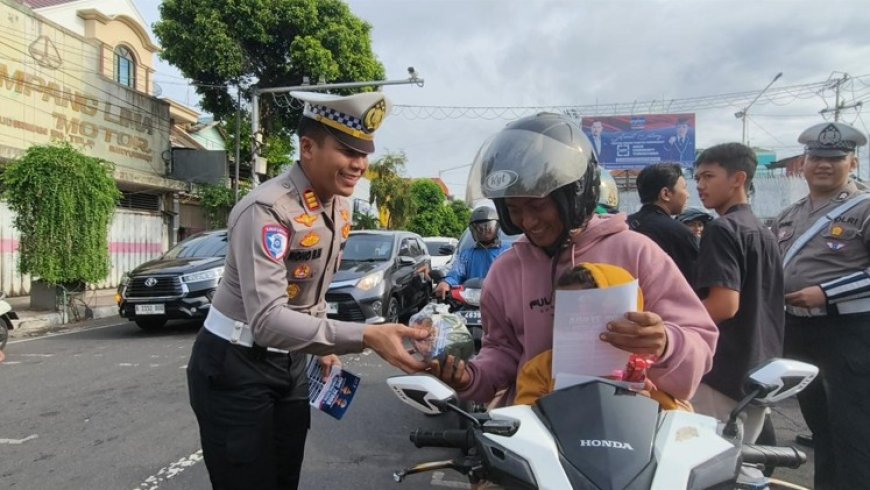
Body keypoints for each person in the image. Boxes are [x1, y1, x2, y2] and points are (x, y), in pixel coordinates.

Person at [186, 91, 429, 490]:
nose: (359, 164)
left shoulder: (338, 207)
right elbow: (267, 321)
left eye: (364, 153)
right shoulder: (267, 209)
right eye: (347, 151)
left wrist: (323, 346)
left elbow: (308, 289)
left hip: (291, 361)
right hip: (235, 363)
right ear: (307, 147)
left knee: (285, 478)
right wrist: (366, 335)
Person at [428, 113, 717, 408]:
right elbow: (502, 351)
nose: (528, 221)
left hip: (630, 421)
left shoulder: (636, 252)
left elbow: (699, 343)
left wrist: (666, 343)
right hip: (535, 426)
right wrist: (470, 378)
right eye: (514, 209)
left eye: (538, 206)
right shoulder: (505, 271)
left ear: (575, 195)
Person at [771, 121, 870, 490]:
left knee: (854, 433)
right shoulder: (790, 214)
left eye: (835, 158)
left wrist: (827, 292)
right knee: (822, 429)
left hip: (848, 333)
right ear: (803, 163)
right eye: (816, 157)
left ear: (852, 163)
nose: (823, 164)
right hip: (799, 330)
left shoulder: (864, 208)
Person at [691, 142, 784, 444]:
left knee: (707, 459)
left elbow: (724, 305)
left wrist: (675, 326)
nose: (700, 186)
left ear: (738, 179)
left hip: (723, 374)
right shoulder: (763, 232)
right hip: (760, 371)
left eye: (708, 176)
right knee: (740, 461)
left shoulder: (722, 229)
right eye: (697, 178)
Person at [514, 262, 691, 411]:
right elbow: (525, 422)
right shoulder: (541, 368)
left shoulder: (651, 367)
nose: (578, 320)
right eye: (565, 312)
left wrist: (647, 405)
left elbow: (680, 424)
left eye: (592, 310)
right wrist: (557, 405)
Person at [627, 163, 698, 286]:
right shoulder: (679, 233)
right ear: (665, 194)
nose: (688, 195)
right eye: (684, 188)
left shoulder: (625, 225)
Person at [433, 206, 510, 299]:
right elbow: (456, 273)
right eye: (479, 228)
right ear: (473, 231)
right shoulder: (466, 255)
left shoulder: (509, 251)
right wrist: (446, 283)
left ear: (497, 227)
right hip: (471, 300)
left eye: (488, 227)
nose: (484, 231)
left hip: (503, 300)